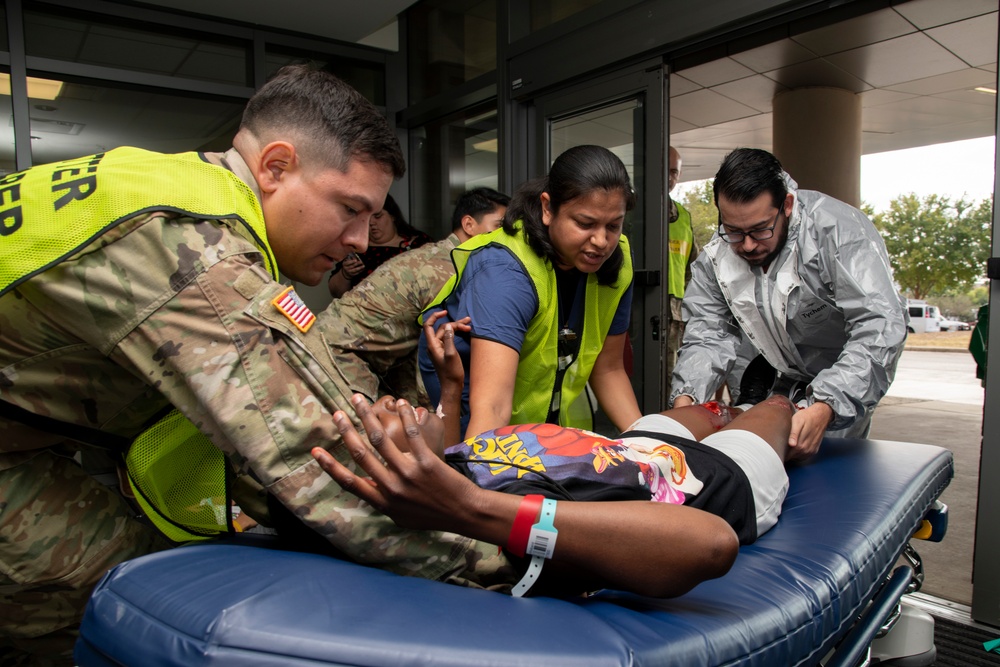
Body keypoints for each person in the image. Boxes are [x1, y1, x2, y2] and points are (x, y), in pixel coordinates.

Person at [310, 317, 793, 598]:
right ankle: (757, 405)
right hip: (716, 480)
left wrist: (452, 388)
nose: (388, 403)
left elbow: (453, 447)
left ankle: (731, 409)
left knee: (711, 410)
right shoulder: (494, 513)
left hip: (636, 444)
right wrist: (469, 508)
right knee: (775, 407)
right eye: (376, 426)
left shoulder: (454, 464)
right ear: (395, 479)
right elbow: (712, 543)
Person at [671, 147, 907, 460]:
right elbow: (708, 335)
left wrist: (828, 404)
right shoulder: (716, 259)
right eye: (734, 231)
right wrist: (686, 398)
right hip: (782, 374)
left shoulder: (837, 233)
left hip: (846, 376)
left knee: (825, 471)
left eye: (760, 229)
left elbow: (880, 325)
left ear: (788, 205)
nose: (749, 244)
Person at [419, 145, 641, 440]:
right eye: (585, 224)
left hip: (532, 406)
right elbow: (493, 406)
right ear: (548, 208)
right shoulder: (504, 270)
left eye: (613, 225)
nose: (602, 241)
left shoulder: (616, 261)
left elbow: (609, 369)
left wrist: (651, 443)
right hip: (471, 398)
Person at [319, 187, 510, 406]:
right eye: (499, 226)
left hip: (345, 349)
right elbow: (434, 360)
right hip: (337, 356)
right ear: (469, 225)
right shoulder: (448, 270)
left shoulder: (440, 256)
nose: (505, 235)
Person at [328, 193, 433, 297]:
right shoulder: (357, 248)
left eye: (378, 216)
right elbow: (336, 292)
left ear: (393, 216)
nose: (372, 223)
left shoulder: (419, 243)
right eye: (367, 219)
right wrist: (345, 274)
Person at [665, 146, 699, 381]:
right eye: (663, 170)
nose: (669, 178)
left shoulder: (683, 216)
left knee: (670, 371)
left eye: (673, 172)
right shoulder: (634, 211)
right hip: (641, 309)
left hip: (674, 309)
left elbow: (692, 268)